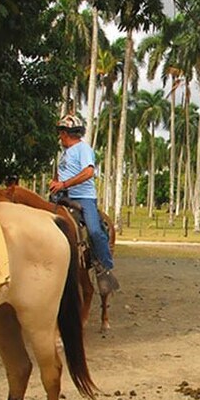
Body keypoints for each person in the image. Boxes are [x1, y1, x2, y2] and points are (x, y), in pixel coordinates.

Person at [49, 113, 117, 290]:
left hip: (83, 198)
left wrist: (64, 183)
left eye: (60, 133)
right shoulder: (64, 154)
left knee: (94, 231)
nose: (59, 137)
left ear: (65, 133)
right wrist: (55, 182)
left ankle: (105, 267)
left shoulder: (83, 149)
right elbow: (60, 173)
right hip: (63, 196)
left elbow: (88, 172)